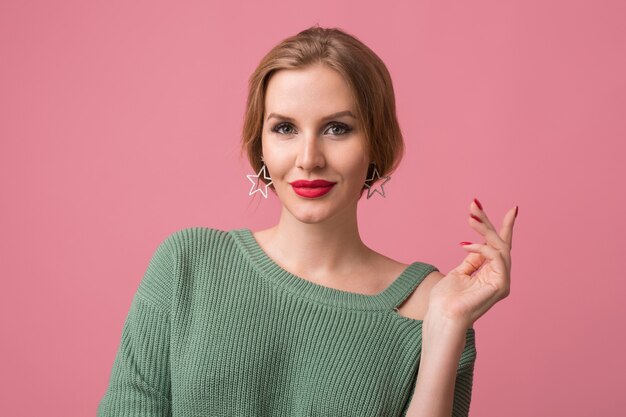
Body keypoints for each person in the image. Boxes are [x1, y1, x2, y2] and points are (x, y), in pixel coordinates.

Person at [97, 25, 517, 417]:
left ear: (376, 142)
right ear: (260, 145)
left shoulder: (433, 304)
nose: (309, 159)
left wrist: (445, 327)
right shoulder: (188, 265)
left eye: (337, 128)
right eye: (285, 128)